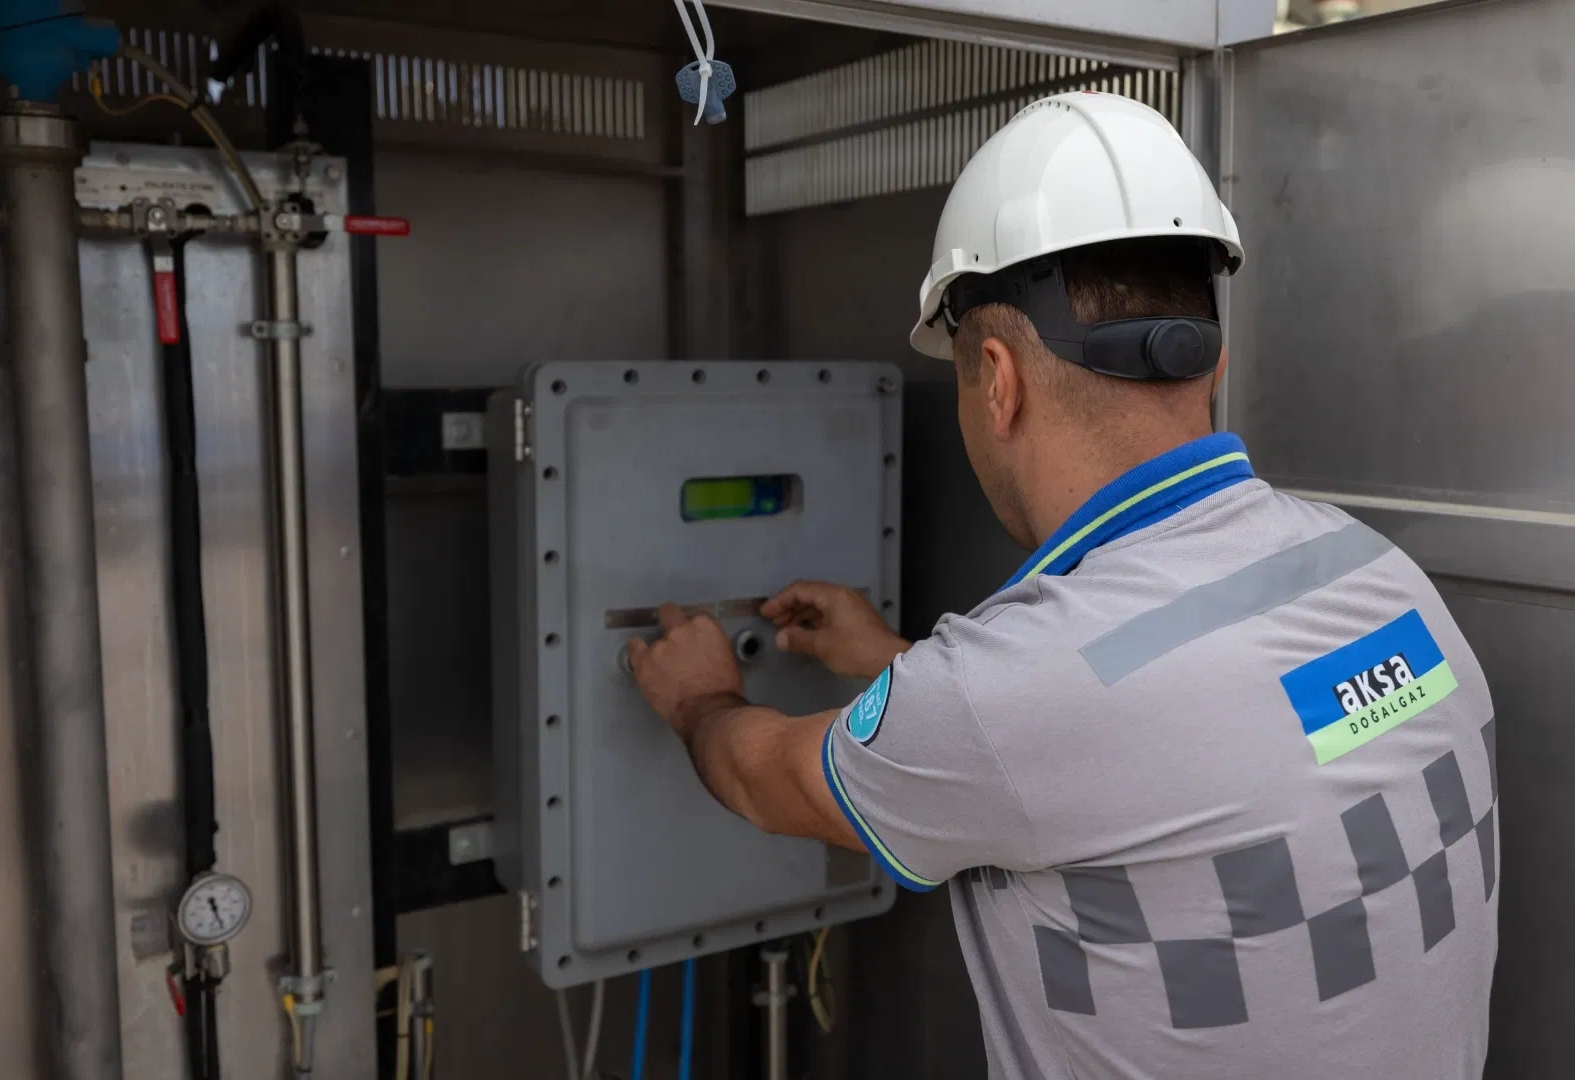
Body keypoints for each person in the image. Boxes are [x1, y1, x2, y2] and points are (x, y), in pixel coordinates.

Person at [626, 92, 1496, 1080]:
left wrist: (698, 695)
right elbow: (1160, 739)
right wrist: (892, 662)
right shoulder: (1373, 571)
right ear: (1206, 359)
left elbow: (769, 778)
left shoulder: (1008, 695)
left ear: (997, 379)